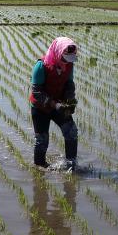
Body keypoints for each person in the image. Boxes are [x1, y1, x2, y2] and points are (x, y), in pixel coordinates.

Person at [30, 37, 79, 170]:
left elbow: (69, 85)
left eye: (69, 59)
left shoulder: (69, 65)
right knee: (42, 141)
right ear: (58, 52)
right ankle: (39, 169)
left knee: (71, 132)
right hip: (40, 107)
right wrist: (55, 105)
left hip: (59, 106)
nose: (66, 62)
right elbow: (36, 92)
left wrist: (70, 102)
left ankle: (71, 165)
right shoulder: (41, 66)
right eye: (64, 58)